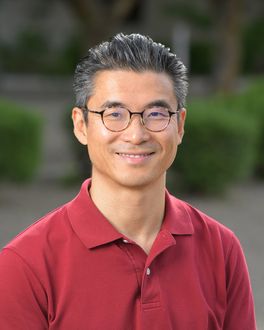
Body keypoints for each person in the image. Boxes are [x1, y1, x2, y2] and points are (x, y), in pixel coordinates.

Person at [0, 33, 256, 330]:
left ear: (180, 125)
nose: (136, 134)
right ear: (81, 125)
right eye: (115, 114)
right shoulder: (24, 265)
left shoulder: (221, 249)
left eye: (156, 114)